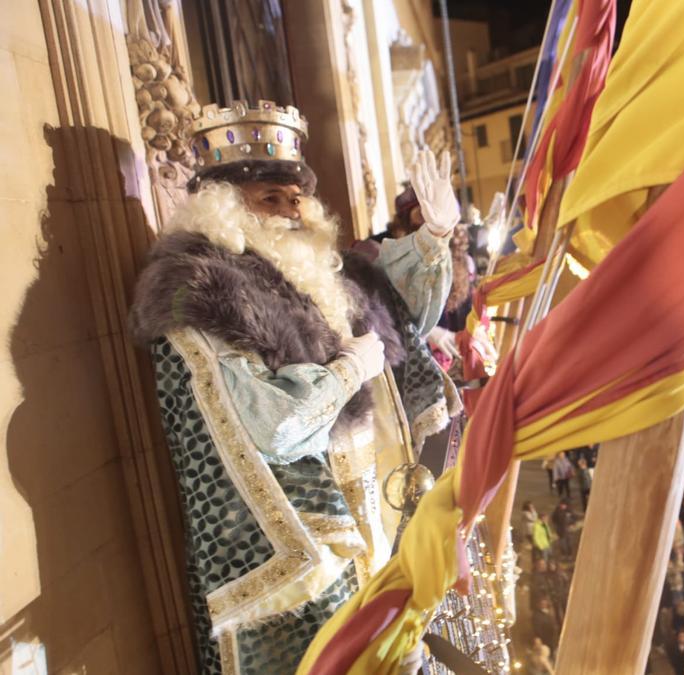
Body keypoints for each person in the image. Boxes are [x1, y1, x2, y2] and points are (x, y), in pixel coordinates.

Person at [129, 101, 459, 673]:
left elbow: (394, 310)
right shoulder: (202, 286)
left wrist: (435, 235)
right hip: (312, 535)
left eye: (296, 198)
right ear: (225, 206)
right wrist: (348, 370)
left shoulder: (312, 268)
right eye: (270, 199)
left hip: (371, 510)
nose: (289, 211)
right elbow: (273, 424)